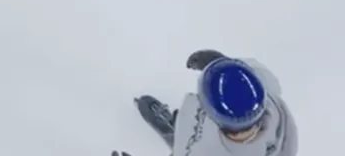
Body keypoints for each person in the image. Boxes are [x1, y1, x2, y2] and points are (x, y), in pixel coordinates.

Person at [117, 52, 300, 156]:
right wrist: (223, 65)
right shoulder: (269, 101)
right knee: (191, 130)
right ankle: (182, 132)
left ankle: (180, 139)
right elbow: (258, 77)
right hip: (209, 136)